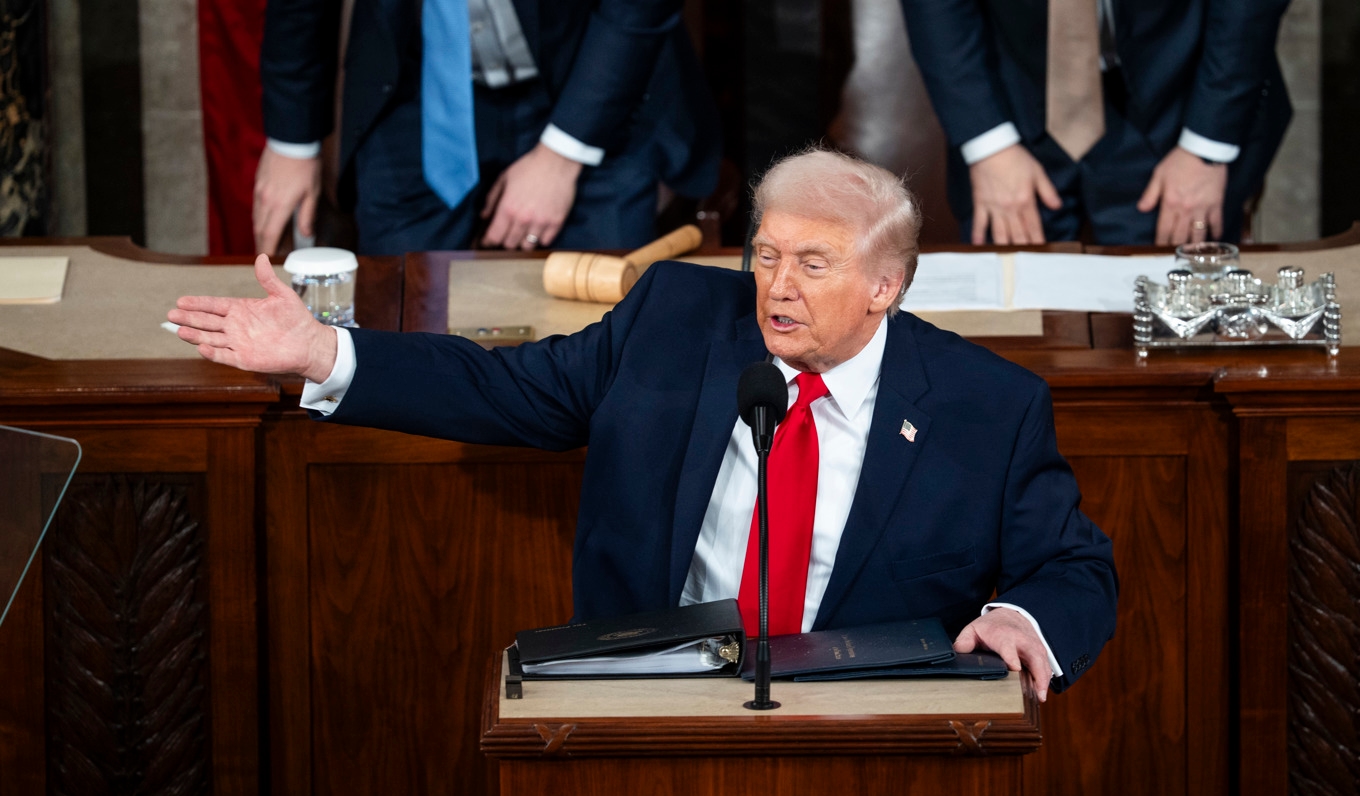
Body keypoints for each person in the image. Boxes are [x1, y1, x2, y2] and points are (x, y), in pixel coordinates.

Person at [170, 149, 1117, 700]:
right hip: (659, 703)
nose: (778, 289)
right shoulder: (672, 319)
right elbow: (509, 391)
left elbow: (1074, 569)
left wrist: (1018, 617)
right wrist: (322, 353)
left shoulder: (985, 405)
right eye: (767, 255)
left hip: (867, 725)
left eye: (815, 265)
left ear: (887, 285)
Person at [255, 0, 721, 255]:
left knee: (603, 328)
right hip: (418, 86)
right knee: (397, 328)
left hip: (594, 83)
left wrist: (562, 156)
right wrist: (292, 145)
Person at [899, 0, 1292, 246]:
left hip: (1184, 101)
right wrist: (989, 144)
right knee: (1015, 336)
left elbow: (1246, 12)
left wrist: (1205, 147)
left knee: (1173, 324)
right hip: (1012, 102)